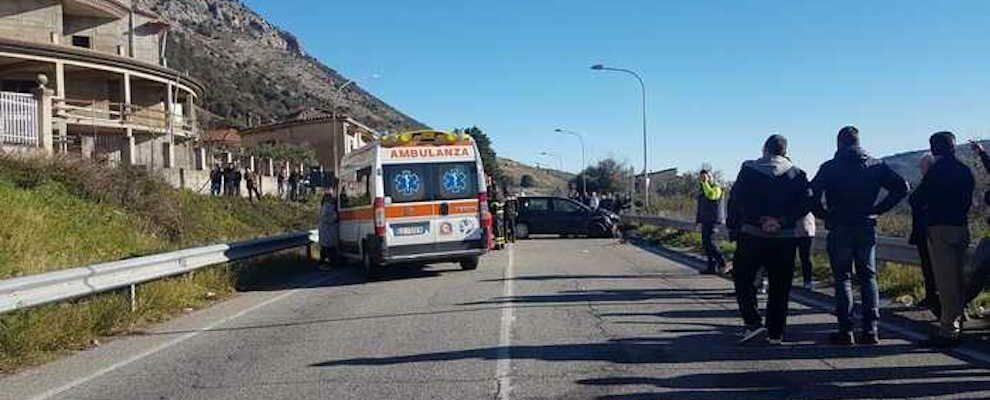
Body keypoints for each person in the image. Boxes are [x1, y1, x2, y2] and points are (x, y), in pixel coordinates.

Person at [811, 126, 908, 346]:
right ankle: (871, 329)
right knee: (868, 277)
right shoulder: (875, 166)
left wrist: (824, 214)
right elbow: (902, 187)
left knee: (843, 278)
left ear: (839, 143)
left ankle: (845, 330)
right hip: (865, 225)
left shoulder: (830, 168)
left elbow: (810, 194)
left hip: (840, 226)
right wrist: (879, 209)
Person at [726, 134, 813, 345]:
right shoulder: (798, 174)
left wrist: (753, 221)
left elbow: (737, 200)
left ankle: (753, 322)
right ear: (785, 151)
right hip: (784, 238)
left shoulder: (748, 171)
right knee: (780, 285)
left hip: (752, 235)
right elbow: (806, 203)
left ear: (765, 149)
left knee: (743, 279)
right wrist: (782, 222)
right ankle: (776, 332)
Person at [911, 132, 974, 348]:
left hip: (940, 227)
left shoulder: (936, 172)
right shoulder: (965, 170)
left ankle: (948, 330)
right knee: (959, 277)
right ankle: (960, 320)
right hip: (961, 225)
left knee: (946, 282)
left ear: (936, 148)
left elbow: (917, 198)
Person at [910, 154, 941, 318]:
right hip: (928, 230)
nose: (920, 169)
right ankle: (931, 297)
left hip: (929, 230)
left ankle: (935, 299)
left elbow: (915, 200)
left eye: (922, 166)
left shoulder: (931, 181)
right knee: (929, 268)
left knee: (932, 268)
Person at [696, 169, 727, 275]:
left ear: (711, 177)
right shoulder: (702, 189)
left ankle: (722, 262)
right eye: (701, 177)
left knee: (711, 242)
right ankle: (711, 266)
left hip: (714, 220)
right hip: (705, 220)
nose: (703, 179)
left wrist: (705, 183)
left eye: (705, 177)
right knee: (706, 243)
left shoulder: (716, 188)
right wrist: (698, 220)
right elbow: (701, 206)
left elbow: (711, 195)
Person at [795, 213, 816, 290]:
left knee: (805, 257)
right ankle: (807, 281)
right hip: (800, 229)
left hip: (805, 228)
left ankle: (807, 280)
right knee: (805, 257)